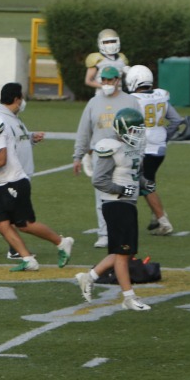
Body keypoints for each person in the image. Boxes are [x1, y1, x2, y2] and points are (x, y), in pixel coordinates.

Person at [0, 86, 73, 272]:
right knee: (1, 224)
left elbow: (1, 159)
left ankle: (62, 242)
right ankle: (28, 259)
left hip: (13, 181)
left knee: (25, 224)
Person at [74, 108, 153, 313]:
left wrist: (145, 183)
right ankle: (128, 296)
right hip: (115, 204)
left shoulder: (133, 148)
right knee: (122, 252)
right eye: (135, 130)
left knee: (126, 252)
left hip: (129, 204)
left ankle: (88, 277)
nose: (138, 134)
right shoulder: (112, 147)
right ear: (124, 129)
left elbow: (135, 175)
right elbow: (99, 180)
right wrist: (121, 189)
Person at [72, 65, 141, 248]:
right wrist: (78, 155)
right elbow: (84, 130)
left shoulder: (130, 101)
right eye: (104, 80)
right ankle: (104, 233)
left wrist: (138, 153)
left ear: (118, 80)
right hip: (101, 154)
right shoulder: (94, 102)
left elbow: (139, 128)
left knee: (127, 191)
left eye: (110, 80)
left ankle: (124, 229)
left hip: (124, 153)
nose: (106, 83)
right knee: (102, 193)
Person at [125, 65, 187, 235]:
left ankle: (162, 219)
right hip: (159, 148)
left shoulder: (132, 100)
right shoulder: (160, 96)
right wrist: (165, 136)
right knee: (147, 180)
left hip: (143, 147)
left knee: (141, 184)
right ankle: (156, 216)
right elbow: (176, 120)